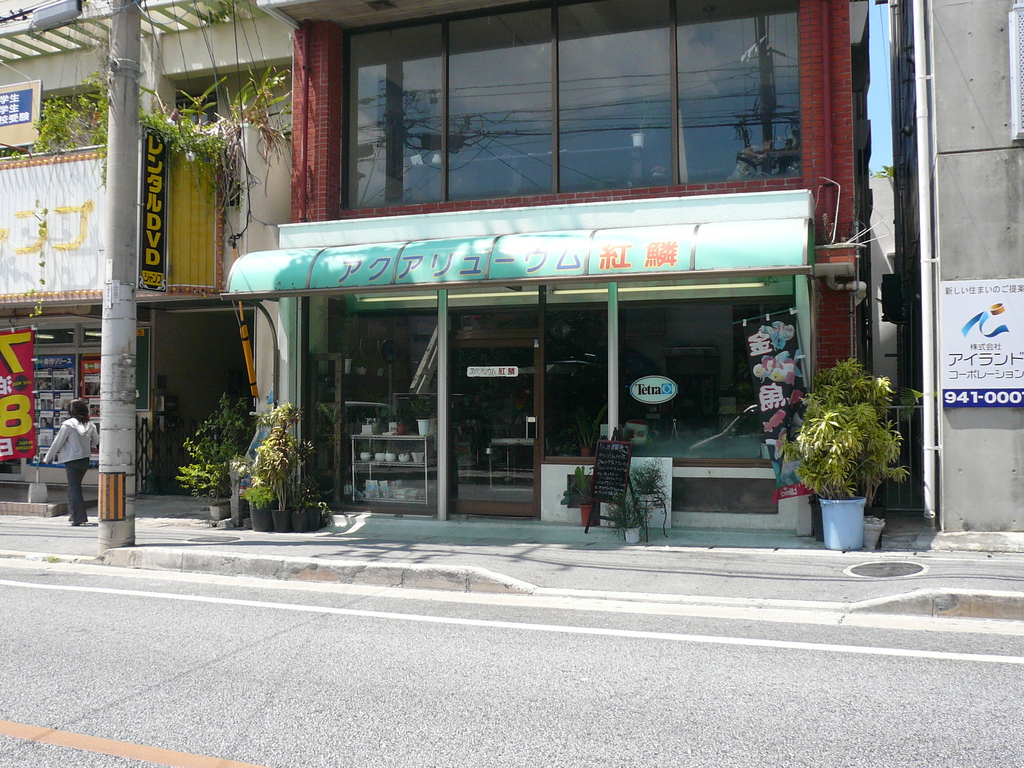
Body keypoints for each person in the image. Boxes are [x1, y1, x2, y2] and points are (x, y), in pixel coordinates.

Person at [43, 399, 99, 526]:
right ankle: (76, 516)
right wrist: (86, 444)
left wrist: (47, 458)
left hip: (72, 460)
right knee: (75, 487)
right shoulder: (90, 425)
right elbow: (96, 441)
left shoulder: (68, 425)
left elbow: (58, 442)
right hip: (84, 460)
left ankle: (77, 517)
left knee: (73, 488)